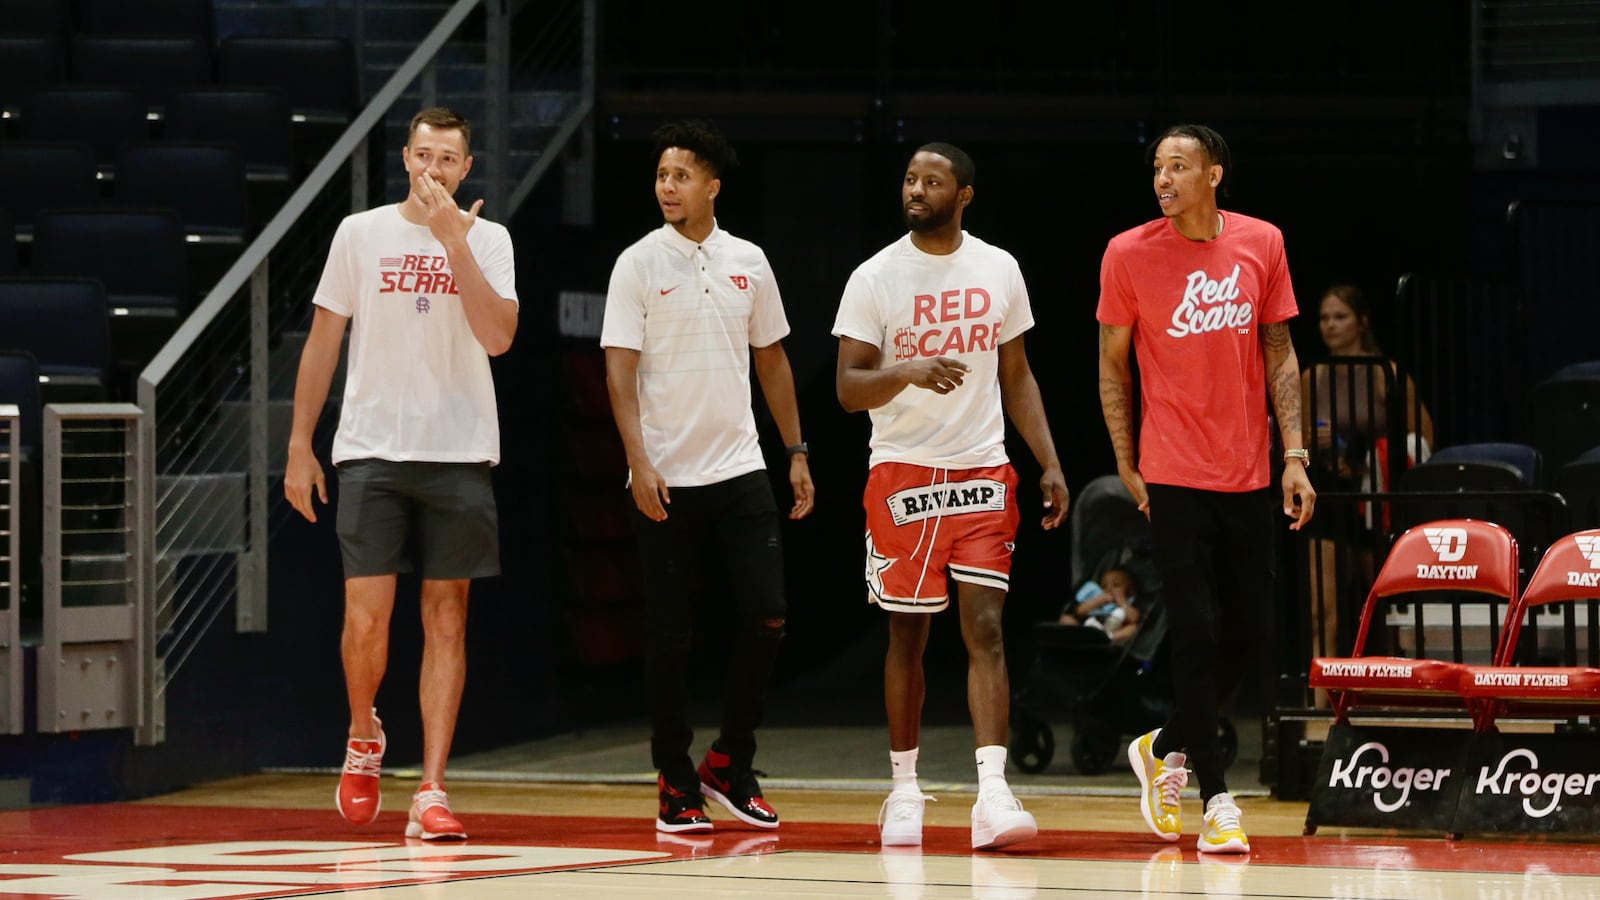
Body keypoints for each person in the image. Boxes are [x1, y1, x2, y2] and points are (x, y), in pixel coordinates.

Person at [284, 107, 519, 841]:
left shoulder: (490, 239)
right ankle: (363, 735)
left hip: (459, 451)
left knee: (447, 620)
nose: (434, 171)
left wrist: (456, 246)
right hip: (371, 449)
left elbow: (498, 337)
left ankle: (433, 788)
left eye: (448, 159)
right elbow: (324, 339)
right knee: (366, 617)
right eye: (423, 157)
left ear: (466, 168)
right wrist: (299, 443)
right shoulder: (360, 234)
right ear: (406, 160)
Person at [834, 142, 1069, 851]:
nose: (916, 189)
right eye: (909, 178)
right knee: (907, 633)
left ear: (963, 194)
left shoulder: (999, 268)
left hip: (981, 469)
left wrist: (1049, 461)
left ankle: (992, 794)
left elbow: (1018, 374)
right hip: (904, 470)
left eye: (932, 181)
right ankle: (904, 790)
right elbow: (848, 389)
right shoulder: (874, 276)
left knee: (988, 629)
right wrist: (904, 369)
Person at [1096, 123, 1315, 855]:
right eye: (1157, 166)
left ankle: (1164, 746)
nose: (1163, 179)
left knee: (1253, 633)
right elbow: (1112, 363)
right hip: (1173, 469)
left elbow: (1281, 350)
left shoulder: (1262, 242)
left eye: (1179, 166)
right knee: (1196, 630)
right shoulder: (1128, 253)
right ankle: (1215, 799)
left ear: (1214, 175)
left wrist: (1295, 456)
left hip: (1250, 467)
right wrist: (1127, 461)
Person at [600, 120, 814, 836]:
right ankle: (673, 776)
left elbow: (774, 360)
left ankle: (731, 760)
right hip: (664, 476)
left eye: (682, 175)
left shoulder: (748, 260)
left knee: (768, 616)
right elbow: (619, 370)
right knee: (669, 636)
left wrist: (797, 451)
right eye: (661, 175)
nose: (667, 186)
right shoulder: (636, 263)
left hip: (741, 468)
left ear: (712, 186)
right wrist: (637, 461)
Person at [1302, 284, 1434, 670]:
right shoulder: (1311, 377)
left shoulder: (1384, 373)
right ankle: (1320, 708)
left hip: (1375, 497)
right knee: (1322, 610)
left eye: (1340, 317)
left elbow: (1423, 438)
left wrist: (1370, 455)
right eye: (1324, 318)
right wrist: (1312, 442)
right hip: (1328, 493)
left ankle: (1394, 687)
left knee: (1382, 603)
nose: (1330, 325)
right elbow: (1294, 441)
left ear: (1362, 322)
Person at [1059, 565, 1142, 644]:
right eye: (1104, 586)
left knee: (1133, 628)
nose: (1109, 589)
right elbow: (1080, 611)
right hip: (1089, 627)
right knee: (1065, 619)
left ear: (1131, 590)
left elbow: (1134, 618)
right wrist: (1099, 600)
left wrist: (1121, 600)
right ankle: (1082, 640)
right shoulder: (1098, 598)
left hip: (1112, 631)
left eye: (1116, 585)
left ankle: (1107, 638)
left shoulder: (1128, 602)